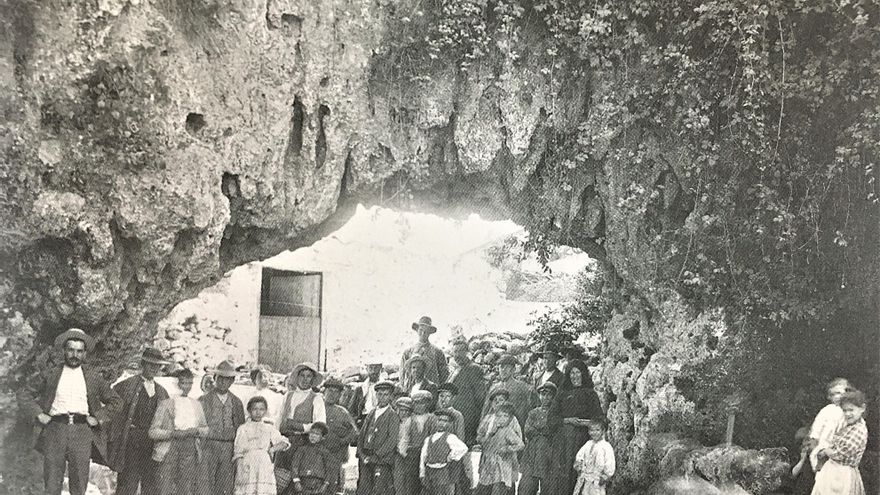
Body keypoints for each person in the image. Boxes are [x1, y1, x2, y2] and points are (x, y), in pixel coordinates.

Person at [28, 328, 123, 495]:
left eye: (79, 351)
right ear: (64, 350)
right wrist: (38, 413)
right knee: (51, 482)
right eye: (71, 350)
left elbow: (116, 401)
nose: (75, 355)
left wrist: (98, 417)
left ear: (85, 354)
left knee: (79, 482)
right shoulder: (51, 373)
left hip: (82, 431)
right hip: (55, 429)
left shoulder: (93, 377)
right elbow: (24, 393)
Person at [107, 347, 172, 495]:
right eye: (150, 364)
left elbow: (168, 420)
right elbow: (113, 411)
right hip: (131, 442)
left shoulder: (162, 391)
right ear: (143, 364)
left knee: (150, 485)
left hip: (152, 444)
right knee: (127, 484)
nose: (154, 368)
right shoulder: (127, 385)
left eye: (157, 366)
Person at [546, 359, 604, 495]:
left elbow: (600, 419)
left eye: (578, 372)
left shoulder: (590, 394)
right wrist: (568, 420)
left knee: (579, 475)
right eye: (572, 373)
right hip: (563, 443)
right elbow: (551, 419)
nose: (575, 376)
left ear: (583, 374)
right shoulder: (562, 394)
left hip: (583, 441)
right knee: (562, 476)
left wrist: (585, 423)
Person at [149, 368, 209, 495]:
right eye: (183, 383)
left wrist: (196, 431)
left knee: (186, 487)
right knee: (165, 486)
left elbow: (205, 429)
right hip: (169, 448)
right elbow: (153, 432)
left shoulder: (196, 405)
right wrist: (172, 433)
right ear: (177, 383)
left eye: (189, 383)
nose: (186, 387)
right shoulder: (166, 404)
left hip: (189, 448)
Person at [197, 360, 247, 495]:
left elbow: (241, 428)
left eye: (227, 379)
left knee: (225, 485)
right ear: (215, 378)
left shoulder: (236, 402)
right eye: (220, 378)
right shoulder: (203, 400)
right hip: (208, 446)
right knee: (204, 484)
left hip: (228, 448)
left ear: (232, 381)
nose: (223, 382)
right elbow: (198, 426)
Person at [795, 378, 850, 493]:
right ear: (829, 397)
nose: (838, 396)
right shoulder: (827, 411)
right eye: (834, 394)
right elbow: (816, 432)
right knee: (822, 482)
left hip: (839, 451)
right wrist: (813, 449)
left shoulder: (849, 412)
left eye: (841, 393)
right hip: (822, 450)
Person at [811, 389, 868, 495]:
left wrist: (826, 451)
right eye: (845, 410)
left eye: (851, 410)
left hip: (841, 474)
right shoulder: (850, 426)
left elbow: (840, 454)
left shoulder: (859, 430)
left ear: (862, 408)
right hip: (833, 470)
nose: (847, 414)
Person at [233, 396, 291, 495]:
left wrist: (272, 449)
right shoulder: (243, 428)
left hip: (264, 465)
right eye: (255, 409)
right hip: (248, 464)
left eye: (261, 409)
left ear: (265, 411)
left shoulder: (268, 428)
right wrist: (240, 472)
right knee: (247, 490)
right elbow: (238, 452)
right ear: (249, 410)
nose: (258, 412)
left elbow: (284, 442)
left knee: (263, 490)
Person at [278, 362, 327, 466]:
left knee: (298, 474)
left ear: (313, 379)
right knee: (281, 474)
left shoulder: (316, 398)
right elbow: (279, 418)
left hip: (304, 443)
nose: (305, 379)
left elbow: (320, 425)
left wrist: (301, 427)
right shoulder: (288, 395)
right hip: (284, 440)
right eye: (302, 375)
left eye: (308, 376)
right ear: (297, 377)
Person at [356, 380, 400, 495]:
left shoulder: (392, 415)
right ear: (376, 395)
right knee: (364, 488)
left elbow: (392, 440)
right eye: (380, 394)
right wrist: (361, 453)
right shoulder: (371, 413)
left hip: (381, 459)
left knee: (379, 489)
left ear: (390, 396)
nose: (382, 398)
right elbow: (362, 434)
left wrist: (376, 455)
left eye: (386, 395)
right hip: (366, 456)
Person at [474, 403, 524, 495]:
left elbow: (520, 444)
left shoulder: (508, 431)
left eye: (505, 416)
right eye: (499, 416)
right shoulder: (492, 430)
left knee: (498, 489)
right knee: (482, 489)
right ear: (495, 417)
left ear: (510, 419)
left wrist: (506, 448)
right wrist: (489, 434)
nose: (502, 419)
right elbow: (484, 443)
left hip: (501, 466)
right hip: (488, 465)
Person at [480, 354, 537, 433]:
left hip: (516, 429)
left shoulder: (523, 388)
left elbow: (531, 410)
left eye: (507, 367)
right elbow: (486, 411)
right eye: (501, 367)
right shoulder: (493, 388)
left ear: (513, 369)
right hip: (496, 430)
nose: (503, 370)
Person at [397, 390, 438, 495]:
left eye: (422, 403)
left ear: (427, 404)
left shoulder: (432, 418)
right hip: (412, 454)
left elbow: (434, 436)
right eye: (416, 403)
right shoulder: (410, 420)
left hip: (427, 452)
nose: (419, 406)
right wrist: (404, 452)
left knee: (426, 480)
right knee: (411, 481)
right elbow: (405, 437)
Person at [518, 382, 557, 495]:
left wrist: (541, 431)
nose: (545, 398)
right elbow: (528, 430)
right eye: (542, 394)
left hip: (547, 452)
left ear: (553, 397)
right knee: (527, 484)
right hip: (532, 453)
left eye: (549, 395)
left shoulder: (555, 413)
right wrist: (541, 431)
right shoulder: (533, 413)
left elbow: (552, 430)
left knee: (547, 484)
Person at [321, 378, 358, 495]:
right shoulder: (317, 408)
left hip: (335, 456)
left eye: (336, 392)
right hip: (317, 455)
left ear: (340, 395)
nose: (332, 394)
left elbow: (355, 433)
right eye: (329, 391)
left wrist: (341, 441)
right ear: (324, 392)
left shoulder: (342, 412)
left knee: (333, 487)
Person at [420, 409, 469, 495]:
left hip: (442, 472)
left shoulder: (450, 437)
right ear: (436, 421)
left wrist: (450, 456)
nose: (441, 423)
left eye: (445, 421)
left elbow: (463, 448)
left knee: (441, 492)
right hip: (429, 471)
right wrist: (422, 473)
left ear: (449, 423)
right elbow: (423, 457)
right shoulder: (428, 439)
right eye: (439, 420)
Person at [449, 340, 487, 446]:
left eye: (460, 351)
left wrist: (475, 423)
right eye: (455, 351)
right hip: (454, 419)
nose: (456, 355)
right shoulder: (455, 371)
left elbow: (480, 398)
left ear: (467, 352)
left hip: (468, 421)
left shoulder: (474, 369)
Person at [287, 422, 337, 494]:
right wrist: (296, 481)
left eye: (317, 434)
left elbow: (329, 469)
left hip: (318, 485)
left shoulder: (325, 452)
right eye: (312, 433)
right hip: (302, 483)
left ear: (322, 437)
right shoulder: (301, 450)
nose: (313, 436)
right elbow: (295, 465)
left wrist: (325, 484)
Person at [401, 316, 449, 388]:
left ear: (430, 333)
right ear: (417, 330)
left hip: (432, 390)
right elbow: (402, 374)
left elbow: (444, 374)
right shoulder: (408, 352)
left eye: (426, 331)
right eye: (421, 330)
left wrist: (438, 388)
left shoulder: (437, 352)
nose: (423, 333)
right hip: (412, 390)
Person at [572, 420, 615, 495]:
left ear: (603, 431)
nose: (594, 433)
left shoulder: (606, 446)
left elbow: (609, 462)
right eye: (592, 430)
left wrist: (605, 476)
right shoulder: (588, 444)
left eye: (597, 430)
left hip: (597, 480)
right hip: (585, 478)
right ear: (588, 431)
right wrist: (579, 464)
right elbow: (580, 456)